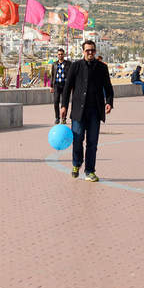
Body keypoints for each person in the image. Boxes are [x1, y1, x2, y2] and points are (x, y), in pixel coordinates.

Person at [59, 39, 113, 181]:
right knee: (77, 140)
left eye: (92, 50)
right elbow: (67, 88)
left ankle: (90, 171)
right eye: (88, 50)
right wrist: (64, 105)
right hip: (78, 111)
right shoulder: (75, 66)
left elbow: (108, 88)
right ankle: (76, 164)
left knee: (92, 143)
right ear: (83, 51)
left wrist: (109, 102)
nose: (90, 52)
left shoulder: (102, 68)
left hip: (95, 111)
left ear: (95, 51)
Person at [50, 48, 71, 123]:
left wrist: (71, 86)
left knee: (64, 102)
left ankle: (64, 118)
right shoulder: (54, 64)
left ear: (64, 55)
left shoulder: (68, 64)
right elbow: (52, 75)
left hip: (65, 85)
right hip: (56, 85)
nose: (60, 55)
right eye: (59, 54)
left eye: (61, 54)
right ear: (57, 55)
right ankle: (57, 117)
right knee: (56, 101)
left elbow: (71, 75)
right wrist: (51, 86)